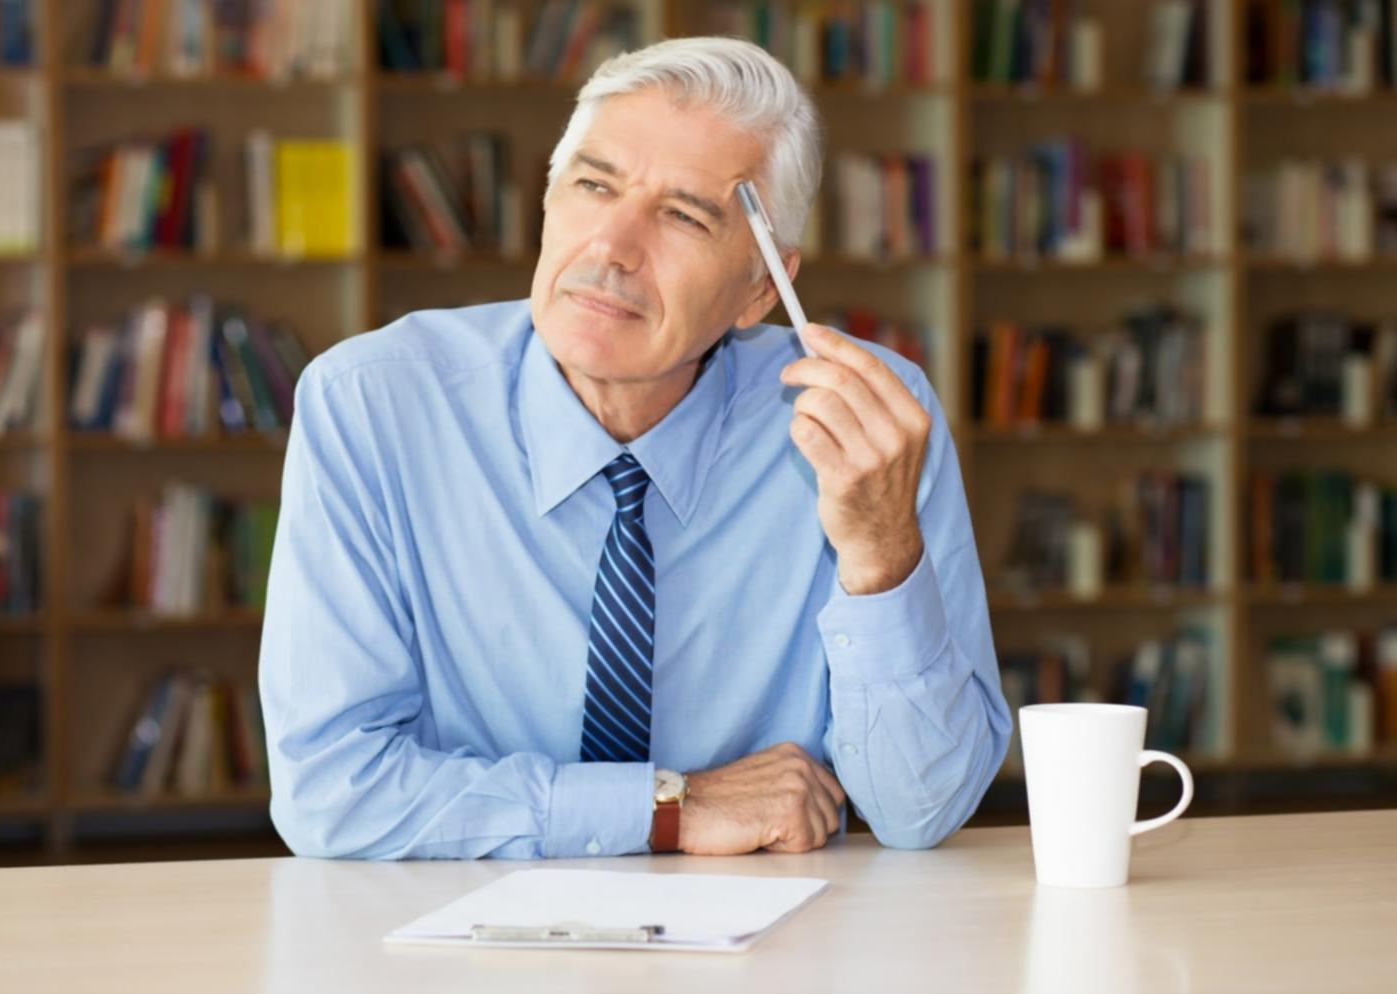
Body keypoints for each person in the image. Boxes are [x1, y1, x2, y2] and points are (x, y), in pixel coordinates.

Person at [258, 36, 1010, 860]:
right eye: (592, 185)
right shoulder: (374, 405)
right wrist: (668, 808)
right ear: (547, 203)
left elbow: (922, 809)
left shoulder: (863, 426)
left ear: (762, 288)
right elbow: (332, 793)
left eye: (685, 215)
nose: (611, 246)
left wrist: (880, 552)